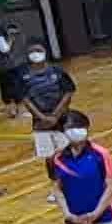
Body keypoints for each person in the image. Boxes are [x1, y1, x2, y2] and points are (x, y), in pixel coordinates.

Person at [20, 45, 77, 201]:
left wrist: (56, 115)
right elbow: (25, 99)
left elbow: (68, 92)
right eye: (32, 51)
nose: (35, 54)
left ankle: (73, 184)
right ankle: (56, 188)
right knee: (50, 158)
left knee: (66, 153)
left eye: (38, 50)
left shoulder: (57, 71)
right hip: (40, 124)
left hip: (62, 120)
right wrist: (41, 117)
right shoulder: (24, 76)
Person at [0, 14, 24, 119]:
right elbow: (5, 49)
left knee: (4, 86)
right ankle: (14, 110)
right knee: (12, 86)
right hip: (6, 65)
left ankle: (9, 108)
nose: (0, 21)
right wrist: (11, 39)